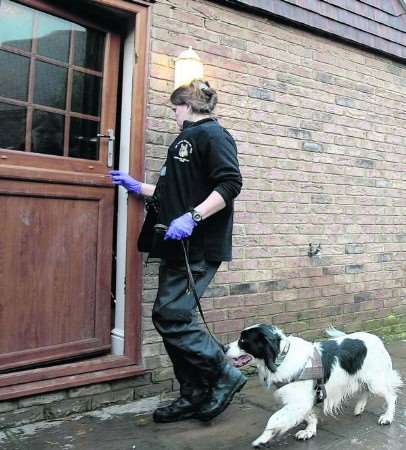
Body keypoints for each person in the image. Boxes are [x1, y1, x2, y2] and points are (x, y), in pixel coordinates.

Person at [109, 79, 245, 423]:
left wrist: (194, 216)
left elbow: (230, 182)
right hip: (177, 244)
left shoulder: (213, 135)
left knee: (171, 316)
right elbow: (174, 191)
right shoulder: (184, 140)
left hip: (198, 245)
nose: (173, 114)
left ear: (186, 106)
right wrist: (137, 186)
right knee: (169, 316)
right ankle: (193, 393)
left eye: (174, 108)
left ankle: (223, 375)